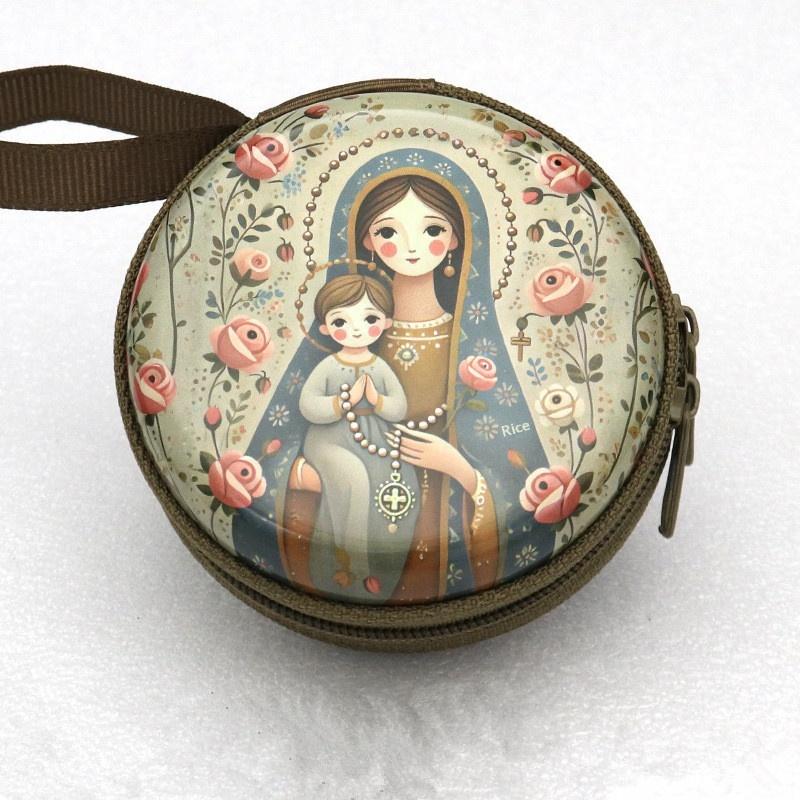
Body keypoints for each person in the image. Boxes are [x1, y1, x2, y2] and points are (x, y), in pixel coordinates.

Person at [297, 272, 420, 601]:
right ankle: (351, 562)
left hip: (374, 436)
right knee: (353, 477)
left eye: (369, 319)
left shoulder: (379, 366)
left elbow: (399, 407)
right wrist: (343, 402)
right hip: (328, 439)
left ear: (386, 323)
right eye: (341, 321)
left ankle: (382, 565)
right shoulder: (328, 366)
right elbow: (308, 405)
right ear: (325, 328)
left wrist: (376, 400)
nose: (355, 329)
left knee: (398, 483)